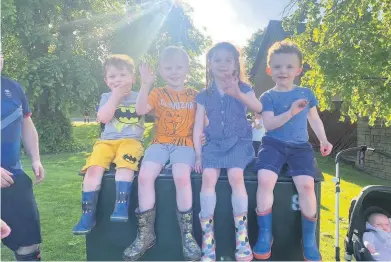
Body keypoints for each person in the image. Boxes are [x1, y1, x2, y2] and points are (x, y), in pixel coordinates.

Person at [252, 41, 332, 262]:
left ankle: (308, 240)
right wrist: (290, 112)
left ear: (299, 69)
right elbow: (269, 125)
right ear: (270, 70)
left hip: (300, 147)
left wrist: (324, 139)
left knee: (307, 185)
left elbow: (314, 119)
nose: (283, 71)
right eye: (277, 67)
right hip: (273, 145)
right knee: (265, 180)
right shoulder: (268, 97)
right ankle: (265, 234)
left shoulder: (306, 93)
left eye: (289, 67)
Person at [123, 46, 201, 262]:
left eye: (179, 67)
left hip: (184, 144)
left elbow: (204, 123)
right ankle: (145, 234)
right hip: (160, 143)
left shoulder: (195, 95)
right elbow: (140, 110)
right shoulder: (157, 93)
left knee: (181, 176)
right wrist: (145, 84)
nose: (174, 72)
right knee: (146, 176)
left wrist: (203, 137)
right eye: (168, 68)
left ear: (187, 69)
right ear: (160, 70)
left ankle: (187, 234)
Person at [193, 42, 262, 262]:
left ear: (236, 64)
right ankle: (208, 239)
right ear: (210, 64)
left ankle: (242, 238)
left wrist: (237, 93)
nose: (223, 64)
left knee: (235, 175)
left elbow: (257, 108)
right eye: (218, 60)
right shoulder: (204, 94)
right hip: (214, 144)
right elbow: (197, 125)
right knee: (208, 177)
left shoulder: (244, 87)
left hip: (239, 142)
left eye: (228, 60)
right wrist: (198, 154)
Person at [73, 55, 146, 234]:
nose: (117, 80)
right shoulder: (106, 97)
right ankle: (87, 214)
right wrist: (115, 96)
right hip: (106, 142)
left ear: (133, 78)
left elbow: (142, 110)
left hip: (131, 141)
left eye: (122, 75)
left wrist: (145, 85)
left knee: (125, 166)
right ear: (106, 81)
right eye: (112, 77)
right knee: (93, 170)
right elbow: (104, 118)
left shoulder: (139, 97)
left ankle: (121, 206)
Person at [1, 51, 45, 261]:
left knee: (29, 243)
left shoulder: (13, 87)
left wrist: (35, 158)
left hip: (13, 176)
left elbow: (26, 123)